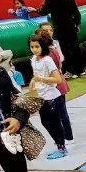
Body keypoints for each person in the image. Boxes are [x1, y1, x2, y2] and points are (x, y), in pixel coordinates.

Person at [28, 32, 68, 160]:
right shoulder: (33, 59)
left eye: (37, 46)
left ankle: (62, 147)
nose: (34, 49)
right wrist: (33, 81)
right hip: (42, 96)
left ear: (42, 46)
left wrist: (41, 79)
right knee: (45, 122)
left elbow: (57, 79)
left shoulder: (47, 60)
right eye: (32, 47)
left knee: (55, 123)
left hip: (52, 96)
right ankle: (58, 144)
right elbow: (36, 75)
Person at [34, 0, 82, 78]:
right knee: (75, 47)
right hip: (70, 24)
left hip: (59, 27)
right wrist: (77, 23)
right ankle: (80, 69)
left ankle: (71, 70)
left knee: (65, 49)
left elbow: (44, 11)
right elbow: (76, 11)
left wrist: (35, 10)